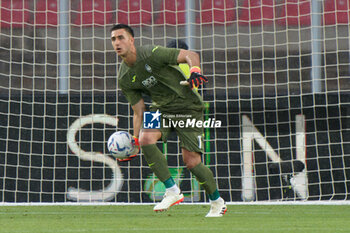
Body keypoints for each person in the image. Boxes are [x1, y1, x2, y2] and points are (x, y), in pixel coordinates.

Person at [110, 24, 227, 217]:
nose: (117, 43)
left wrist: (195, 70)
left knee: (192, 163)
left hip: (187, 107)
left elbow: (191, 55)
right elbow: (138, 111)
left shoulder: (151, 53)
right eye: (113, 39)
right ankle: (172, 190)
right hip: (160, 109)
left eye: (121, 37)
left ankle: (217, 201)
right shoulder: (124, 77)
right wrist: (134, 141)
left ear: (131, 40)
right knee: (146, 139)